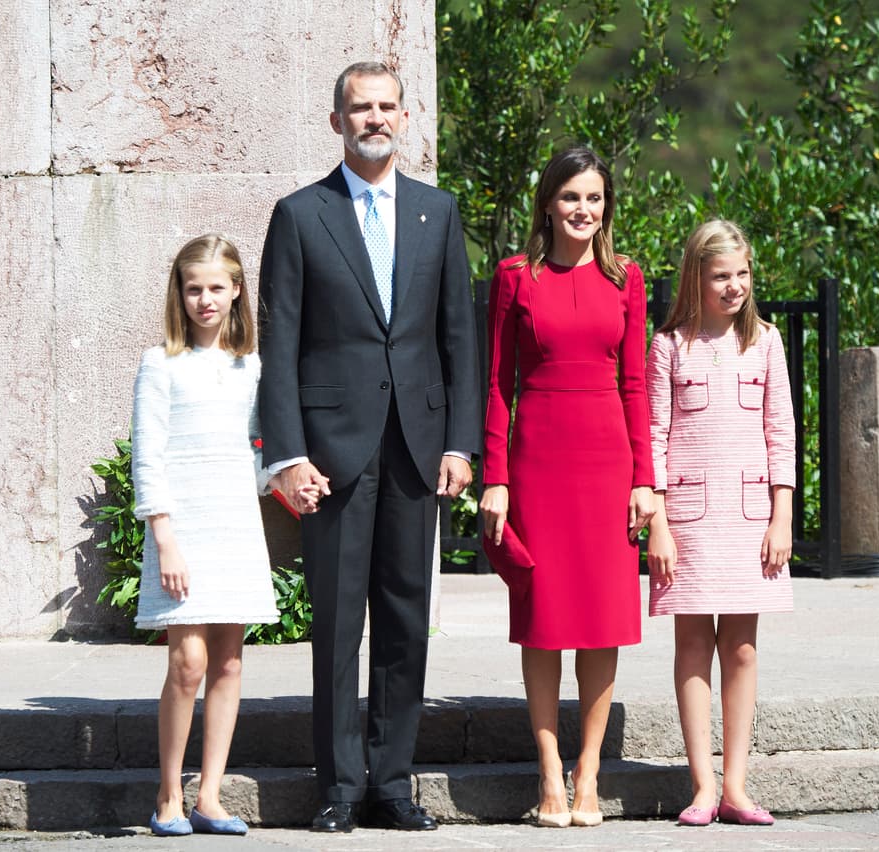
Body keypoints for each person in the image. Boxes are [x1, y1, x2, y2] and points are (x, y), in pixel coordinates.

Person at [257, 61, 481, 833]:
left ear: (405, 117)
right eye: (360, 108)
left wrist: (461, 442)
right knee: (338, 624)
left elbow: (460, 338)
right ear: (336, 121)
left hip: (419, 451)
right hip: (332, 456)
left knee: (405, 619)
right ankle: (340, 787)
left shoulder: (437, 212)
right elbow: (279, 344)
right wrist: (286, 456)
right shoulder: (299, 215)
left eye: (387, 107)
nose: (374, 119)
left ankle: (393, 782)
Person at [479, 146, 657, 828]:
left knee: (601, 621)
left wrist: (647, 480)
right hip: (538, 463)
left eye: (595, 199)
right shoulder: (514, 277)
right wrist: (494, 478)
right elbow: (497, 384)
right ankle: (549, 776)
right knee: (545, 621)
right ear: (548, 204)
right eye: (571, 197)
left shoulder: (627, 279)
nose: (584, 210)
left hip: (607, 461)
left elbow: (636, 384)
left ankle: (589, 777)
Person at [132, 234, 318, 836]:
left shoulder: (252, 367)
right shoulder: (159, 363)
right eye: (193, 288)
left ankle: (209, 796)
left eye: (216, 287)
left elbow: (261, 455)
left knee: (230, 663)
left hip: (234, 522)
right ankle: (168, 796)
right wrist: (164, 538)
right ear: (178, 293)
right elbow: (147, 455)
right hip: (182, 528)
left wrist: (293, 484)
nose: (205, 300)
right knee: (187, 661)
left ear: (237, 289)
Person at [644, 218, 796, 827]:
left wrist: (781, 517)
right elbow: (652, 438)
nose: (735, 286)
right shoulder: (669, 347)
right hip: (686, 521)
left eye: (743, 274)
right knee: (690, 644)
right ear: (696, 278)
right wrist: (657, 522)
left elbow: (780, 432)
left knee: (740, 647)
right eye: (721, 276)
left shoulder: (767, 342)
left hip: (750, 518)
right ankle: (702, 786)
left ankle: (736, 786)